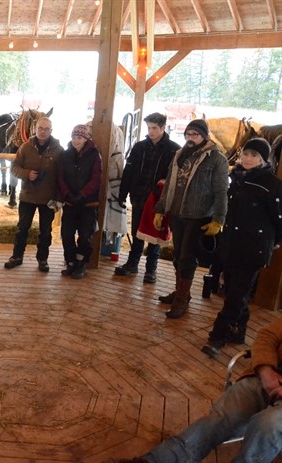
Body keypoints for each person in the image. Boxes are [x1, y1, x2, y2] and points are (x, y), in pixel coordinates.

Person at [116, 315, 282, 463]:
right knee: (218, 419)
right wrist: (265, 370)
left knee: (268, 425)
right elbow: (267, 336)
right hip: (266, 378)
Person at [202, 138, 282, 358]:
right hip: (231, 245)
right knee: (235, 290)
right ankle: (239, 331)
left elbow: (279, 220)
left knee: (235, 295)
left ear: (263, 160)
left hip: (254, 248)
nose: (248, 159)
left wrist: (274, 242)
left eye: (254, 156)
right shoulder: (236, 179)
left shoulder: (272, 185)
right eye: (246, 154)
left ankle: (218, 337)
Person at [153, 119, 229, 319]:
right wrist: (161, 210)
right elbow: (169, 183)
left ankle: (182, 299)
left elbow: (222, 191)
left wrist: (219, 219)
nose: (190, 138)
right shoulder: (179, 155)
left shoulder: (216, 159)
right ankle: (181, 293)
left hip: (198, 215)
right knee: (178, 255)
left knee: (187, 257)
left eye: (195, 134)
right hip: (177, 213)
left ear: (204, 136)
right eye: (188, 134)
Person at [116, 112, 180, 283]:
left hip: (158, 200)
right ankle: (132, 264)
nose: (151, 131)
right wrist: (123, 194)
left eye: (154, 128)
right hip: (138, 196)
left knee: (155, 234)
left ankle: (151, 270)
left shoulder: (174, 150)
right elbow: (128, 172)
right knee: (137, 231)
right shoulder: (139, 147)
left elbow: (176, 177)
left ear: (163, 128)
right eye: (149, 127)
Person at [4, 116, 62, 272]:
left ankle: (43, 259)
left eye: (46, 129)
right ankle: (17, 256)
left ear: (51, 130)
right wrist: (26, 174)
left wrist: (58, 199)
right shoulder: (25, 147)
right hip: (27, 196)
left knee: (46, 231)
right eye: (40, 128)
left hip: (48, 198)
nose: (43, 132)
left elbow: (62, 176)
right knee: (22, 228)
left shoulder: (58, 150)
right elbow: (14, 168)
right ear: (35, 129)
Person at [58, 124, 102, 279]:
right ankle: (70, 261)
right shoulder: (66, 154)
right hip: (70, 202)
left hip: (88, 203)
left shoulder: (94, 155)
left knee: (85, 234)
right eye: (74, 137)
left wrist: (83, 194)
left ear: (86, 138)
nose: (76, 140)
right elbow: (61, 177)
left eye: (80, 138)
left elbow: (96, 178)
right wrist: (67, 194)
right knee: (67, 233)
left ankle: (81, 263)